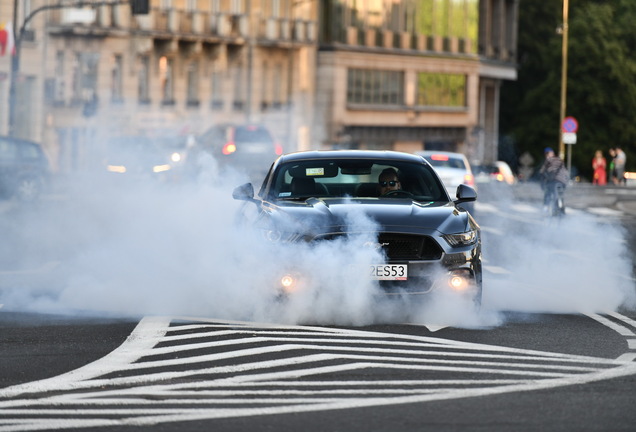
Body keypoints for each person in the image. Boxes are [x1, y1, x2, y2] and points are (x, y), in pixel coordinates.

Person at [539, 147, 569, 214]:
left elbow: (542, 172)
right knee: (560, 194)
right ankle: (562, 208)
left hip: (554, 181)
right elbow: (566, 172)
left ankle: (545, 208)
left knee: (548, 192)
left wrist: (542, 184)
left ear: (546, 154)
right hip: (563, 181)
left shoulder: (548, 160)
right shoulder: (560, 160)